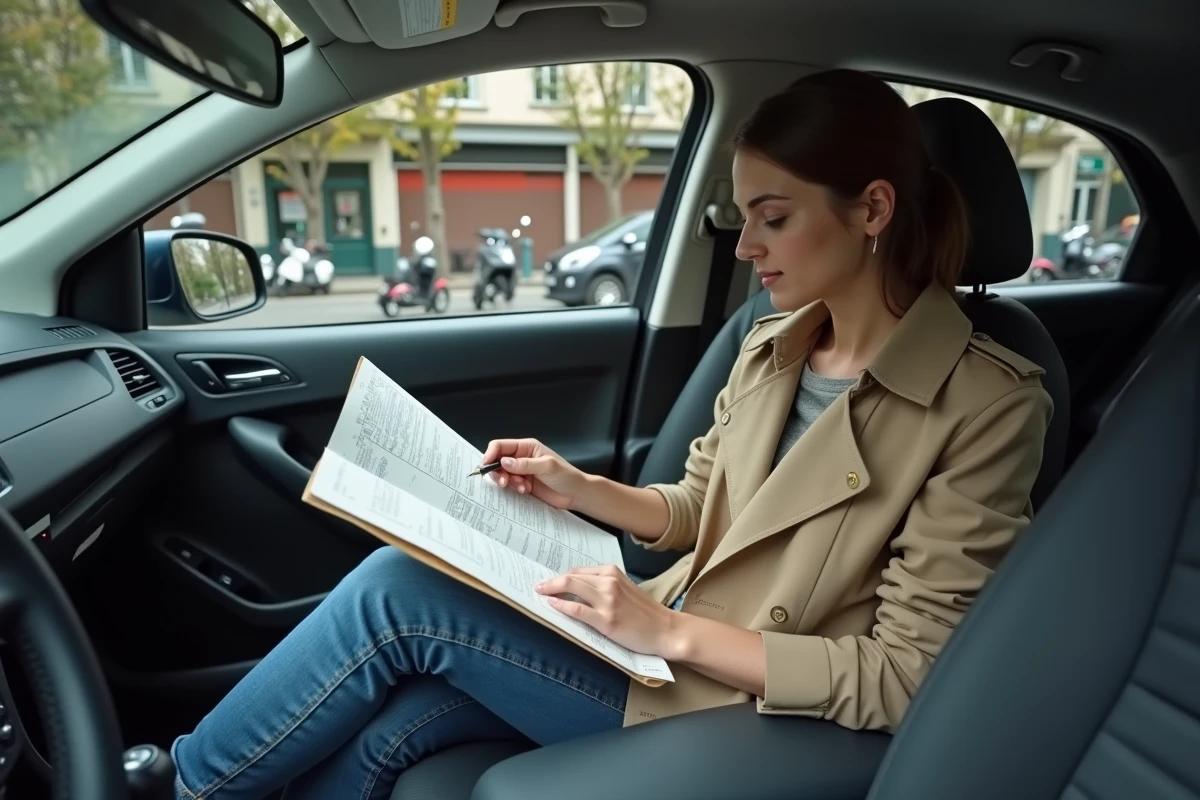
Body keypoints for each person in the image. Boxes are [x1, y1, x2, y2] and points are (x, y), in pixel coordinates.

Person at [171, 69, 1052, 800]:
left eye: (774, 216)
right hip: (659, 635)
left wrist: (666, 635)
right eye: (744, 215)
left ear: (872, 210)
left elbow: (909, 675)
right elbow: (703, 506)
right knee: (401, 723)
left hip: (732, 696)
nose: (746, 246)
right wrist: (576, 489)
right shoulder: (775, 342)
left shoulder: (989, 404)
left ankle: (185, 788)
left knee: (396, 591)